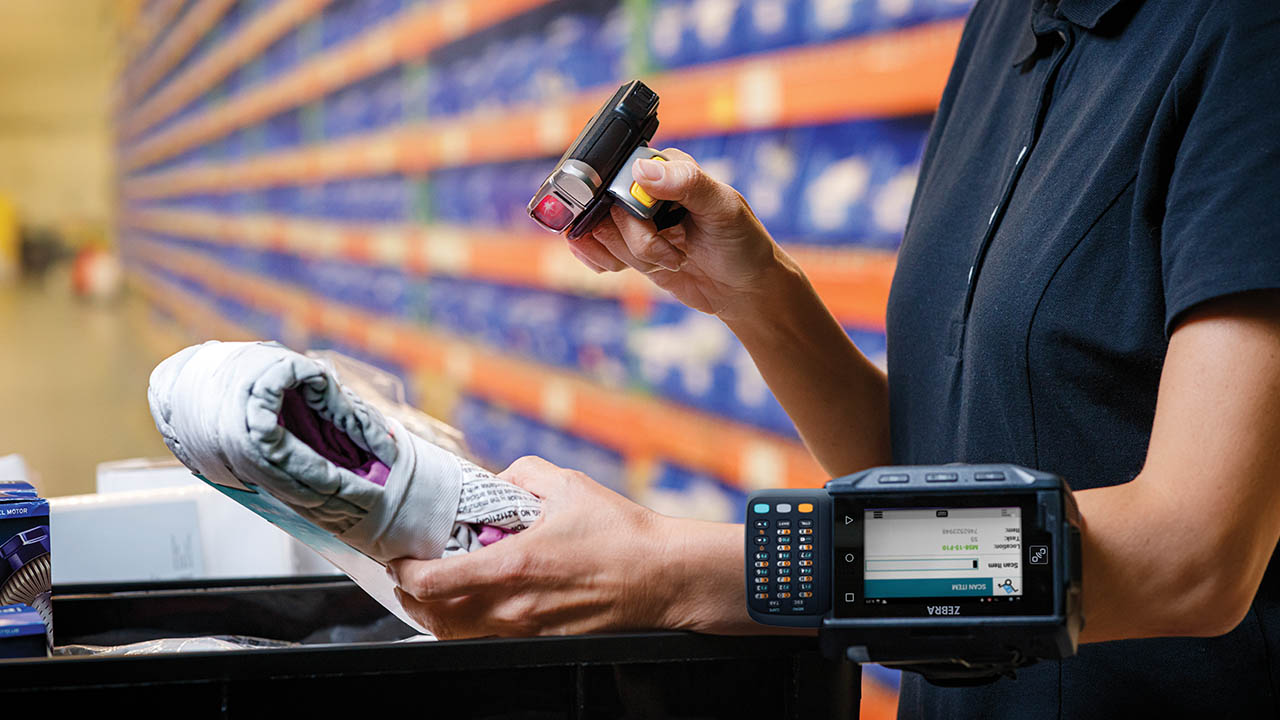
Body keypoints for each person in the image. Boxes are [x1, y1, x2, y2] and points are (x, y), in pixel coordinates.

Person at [389, 0, 1280, 716]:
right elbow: (928, 473)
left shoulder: (1246, 42)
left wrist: (677, 571)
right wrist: (758, 296)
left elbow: (1192, 559)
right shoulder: (1003, 25)